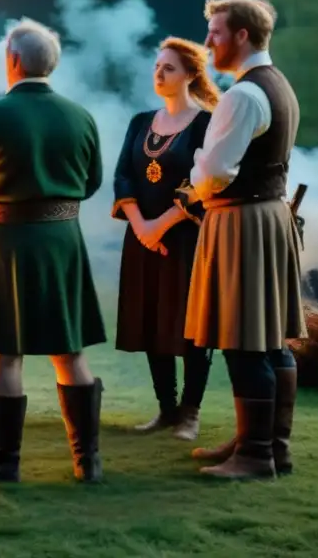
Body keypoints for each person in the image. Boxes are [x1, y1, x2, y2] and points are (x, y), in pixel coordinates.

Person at [0, 21, 106, 484]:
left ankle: (3, 464)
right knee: (70, 352)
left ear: (13, 60)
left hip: (5, 246)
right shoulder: (81, 116)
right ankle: (88, 463)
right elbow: (92, 182)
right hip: (62, 243)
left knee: (5, 354)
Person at [180, 0, 306, 480]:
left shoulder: (243, 96)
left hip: (242, 222)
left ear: (242, 36)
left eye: (215, 32)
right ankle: (271, 445)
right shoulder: (278, 85)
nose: (208, 42)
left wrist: (194, 180)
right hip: (268, 216)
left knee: (244, 338)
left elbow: (213, 172)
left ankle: (255, 456)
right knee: (271, 340)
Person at [112, 38, 219, 441]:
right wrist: (141, 226)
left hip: (188, 241)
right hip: (143, 240)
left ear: (190, 74)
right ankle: (166, 409)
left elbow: (204, 184)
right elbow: (124, 175)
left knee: (191, 327)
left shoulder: (207, 123)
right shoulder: (140, 121)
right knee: (153, 321)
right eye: (157, 67)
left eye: (169, 68)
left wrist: (163, 224)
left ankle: (191, 414)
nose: (159, 74)